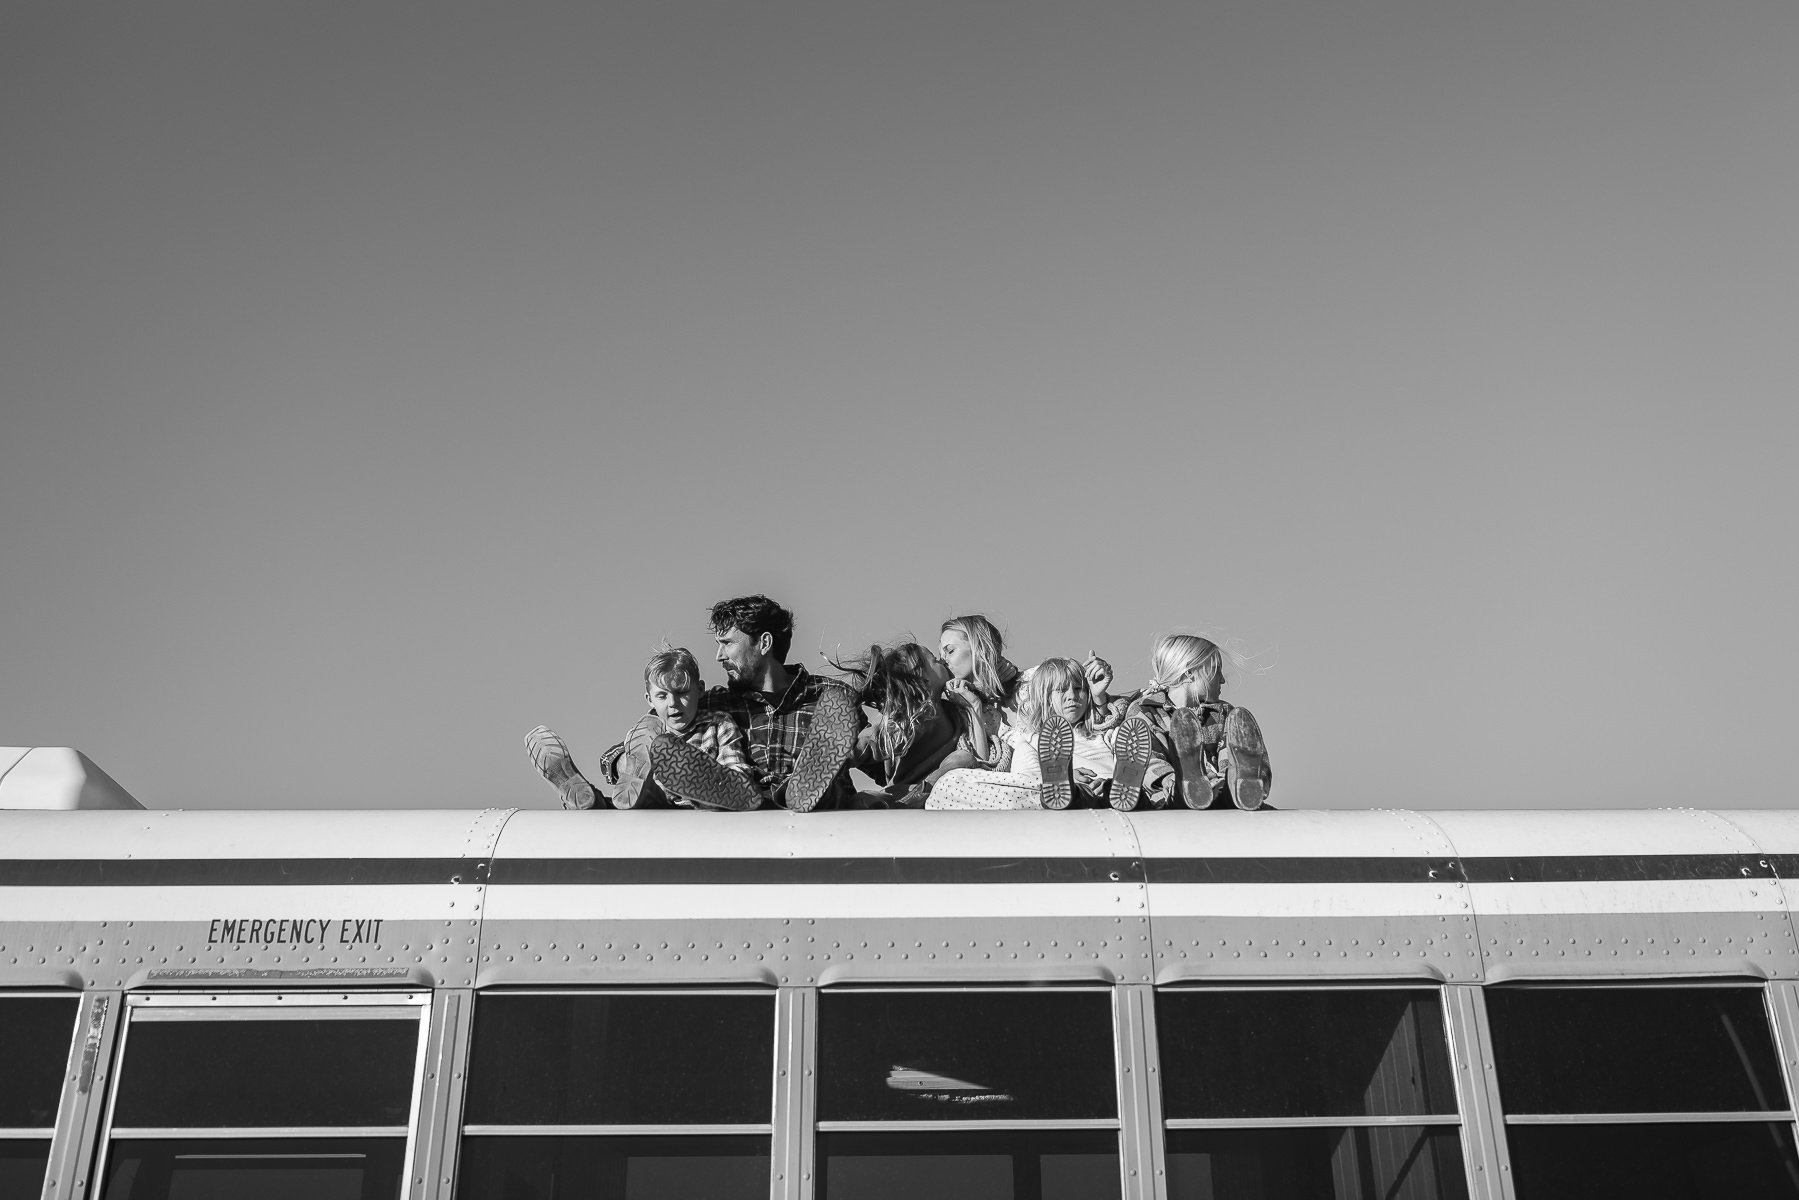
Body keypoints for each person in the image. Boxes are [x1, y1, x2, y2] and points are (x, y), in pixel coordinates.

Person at [523, 646, 763, 811]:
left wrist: (735, 783)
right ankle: (582, 796)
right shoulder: (646, 732)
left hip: (700, 807)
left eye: (682, 693)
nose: (673, 703)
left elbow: (737, 769)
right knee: (636, 798)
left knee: (642, 801)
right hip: (656, 807)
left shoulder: (718, 724)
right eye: (662, 696)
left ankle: (596, 803)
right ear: (649, 699)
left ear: (700, 690)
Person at [926, 656, 1171, 810]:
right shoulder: (1032, 741)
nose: (1073, 696)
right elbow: (1026, 779)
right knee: (954, 782)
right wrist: (1068, 775)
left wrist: (1115, 776)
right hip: (1070, 792)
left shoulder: (1103, 733)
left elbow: (1131, 751)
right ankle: (1065, 787)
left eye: (1079, 689)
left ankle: (1127, 790)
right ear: (1043, 698)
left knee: (1124, 747)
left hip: (1113, 790)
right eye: (1061, 690)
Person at [702, 594, 864, 812]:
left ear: (764, 643)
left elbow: (882, 761)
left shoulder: (832, 697)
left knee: (831, 793)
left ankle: (811, 783)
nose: (719, 656)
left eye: (727, 643)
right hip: (748, 817)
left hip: (824, 823)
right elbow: (660, 722)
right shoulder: (715, 704)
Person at [1110, 633, 1272, 811]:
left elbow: (1230, 753)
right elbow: (1147, 758)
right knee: (1177, 791)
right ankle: (1187, 785)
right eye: (1216, 669)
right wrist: (1169, 779)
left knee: (1238, 738)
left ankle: (1239, 786)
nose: (1223, 679)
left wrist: (1220, 779)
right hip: (1169, 796)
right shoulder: (1145, 711)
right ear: (1189, 672)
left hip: (1221, 794)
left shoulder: (1225, 713)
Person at [834, 642, 963, 807]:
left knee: (962, 758)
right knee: (868, 799)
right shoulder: (916, 714)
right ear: (923, 678)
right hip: (901, 794)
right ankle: (831, 761)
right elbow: (875, 740)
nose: (942, 660)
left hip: (934, 793)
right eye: (934, 660)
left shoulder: (953, 710)